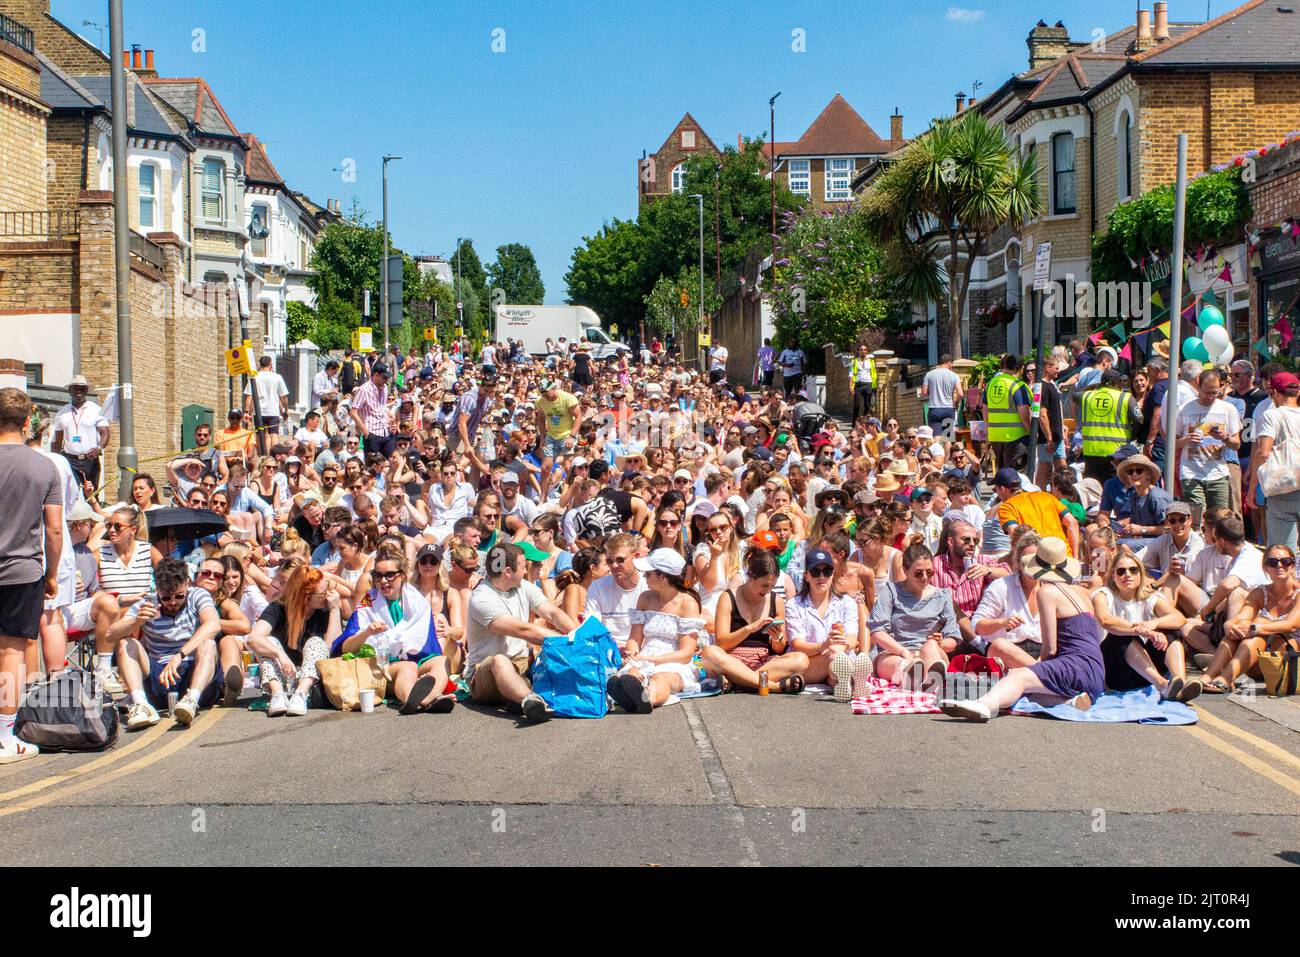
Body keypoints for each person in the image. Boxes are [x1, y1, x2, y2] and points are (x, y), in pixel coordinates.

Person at [941, 537, 1104, 721]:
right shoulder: (1081, 593)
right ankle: (1069, 701)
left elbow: (1050, 649)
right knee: (1027, 689)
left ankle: (984, 705)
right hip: (1096, 671)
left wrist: (1039, 670)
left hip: (1074, 666)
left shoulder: (1047, 592)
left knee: (1019, 677)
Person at [0, 389, 63, 763]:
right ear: (28, 423)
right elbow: (54, 530)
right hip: (22, 570)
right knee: (11, 651)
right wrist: (52, 574)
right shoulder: (43, 467)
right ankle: (5, 735)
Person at [464, 542, 577, 723]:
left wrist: (578, 634)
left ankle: (516, 695)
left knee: (543, 656)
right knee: (499, 660)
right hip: (485, 673)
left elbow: (552, 613)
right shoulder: (482, 598)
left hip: (521, 664)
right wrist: (568, 641)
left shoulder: (523, 586)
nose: (525, 571)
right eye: (523, 567)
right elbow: (524, 630)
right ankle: (530, 700)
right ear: (507, 571)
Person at [107, 558, 222, 729]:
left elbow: (213, 624)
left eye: (179, 596)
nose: (173, 602)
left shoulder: (198, 595)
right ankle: (141, 705)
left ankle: (192, 699)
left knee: (208, 644)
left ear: (187, 584)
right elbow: (109, 635)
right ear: (157, 590)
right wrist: (136, 622)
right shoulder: (147, 603)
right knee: (125, 643)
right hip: (159, 675)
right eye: (166, 598)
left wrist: (180, 655)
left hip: (194, 671)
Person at [335, 550, 455, 715]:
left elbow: (428, 648)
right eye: (378, 575)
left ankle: (430, 699)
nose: (383, 581)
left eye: (390, 575)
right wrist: (367, 633)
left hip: (415, 660)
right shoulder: (367, 604)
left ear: (403, 575)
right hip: (382, 666)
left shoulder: (418, 603)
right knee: (408, 667)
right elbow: (346, 648)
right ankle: (412, 700)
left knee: (442, 661)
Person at [607, 548, 709, 712]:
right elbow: (635, 639)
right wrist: (633, 656)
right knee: (631, 674)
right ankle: (633, 693)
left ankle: (647, 698)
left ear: (662, 577)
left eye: (648, 574)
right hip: (644, 657)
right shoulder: (645, 598)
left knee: (662, 678)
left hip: (673, 661)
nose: (644, 577)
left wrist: (650, 660)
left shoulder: (687, 603)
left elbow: (685, 654)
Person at [1092, 547, 1195, 701]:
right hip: (1117, 669)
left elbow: (1179, 618)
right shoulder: (1103, 595)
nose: (1127, 575)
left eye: (1133, 570)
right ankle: (1162, 685)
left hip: (1146, 670)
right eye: (1121, 571)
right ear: (1113, 576)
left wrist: (1154, 623)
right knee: (1120, 635)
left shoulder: (1149, 597)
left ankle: (1179, 683)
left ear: (1140, 574)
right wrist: (1144, 631)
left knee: (1170, 633)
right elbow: (1106, 620)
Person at [704, 548, 809, 694]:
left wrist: (776, 637)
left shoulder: (776, 600)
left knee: (801, 659)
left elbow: (779, 648)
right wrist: (749, 629)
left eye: (772, 586)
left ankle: (739, 682)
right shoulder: (728, 598)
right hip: (733, 661)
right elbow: (721, 642)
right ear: (750, 576)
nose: (767, 590)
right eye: (764, 585)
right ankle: (773, 686)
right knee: (710, 652)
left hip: (764, 663)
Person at [1199, 544, 1300, 693]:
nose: (1279, 565)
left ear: (1292, 566)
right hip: (1262, 660)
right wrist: (1230, 624)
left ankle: (1226, 678)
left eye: (1285, 561)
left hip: (1290, 658)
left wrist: (1256, 627)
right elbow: (1241, 617)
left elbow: (1291, 625)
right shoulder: (1260, 592)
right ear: (1266, 568)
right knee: (1238, 628)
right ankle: (1208, 677)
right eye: (1273, 562)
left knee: (1258, 624)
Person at [868, 543, 962, 689]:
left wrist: (940, 643)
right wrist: (904, 652)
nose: (925, 577)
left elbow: (953, 639)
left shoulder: (943, 596)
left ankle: (928, 679)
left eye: (929, 573)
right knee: (900, 663)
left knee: (930, 647)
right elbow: (877, 632)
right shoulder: (891, 591)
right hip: (895, 652)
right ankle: (913, 674)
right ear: (905, 570)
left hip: (931, 652)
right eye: (918, 573)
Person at [783, 547, 868, 701]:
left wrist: (838, 648)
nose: (821, 577)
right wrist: (825, 646)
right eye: (815, 571)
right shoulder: (793, 605)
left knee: (838, 658)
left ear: (833, 574)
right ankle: (848, 680)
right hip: (810, 662)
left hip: (839, 654)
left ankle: (837, 681)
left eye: (827, 571)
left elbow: (852, 638)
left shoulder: (847, 602)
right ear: (806, 576)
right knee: (836, 659)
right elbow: (797, 644)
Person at [1176, 368, 1241, 514]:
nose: (1210, 397)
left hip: (1218, 473)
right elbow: (1172, 443)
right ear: (1198, 387)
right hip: (1191, 473)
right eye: (1207, 392)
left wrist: (1224, 437)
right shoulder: (1184, 409)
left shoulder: (1228, 409)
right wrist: (1186, 440)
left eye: (1215, 392)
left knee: (1219, 519)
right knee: (1197, 519)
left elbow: (1236, 444)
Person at [1251, 371, 1300, 548]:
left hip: (1283, 489)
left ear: (1275, 393)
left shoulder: (1272, 415)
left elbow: (1263, 453)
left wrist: (1251, 489)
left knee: (1284, 551)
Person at [991, 467, 1080, 557]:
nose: (996, 494)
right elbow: (1072, 523)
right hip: (1064, 557)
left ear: (1002, 489)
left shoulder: (1006, 508)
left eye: (995, 490)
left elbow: (1015, 535)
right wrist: (1075, 557)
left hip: (1037, 562)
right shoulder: (1047, 496)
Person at [584, 533, 647, 649]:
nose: (614, 565)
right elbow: (591, 628)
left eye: (620, 559)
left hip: (641, 649)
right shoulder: (598, 587)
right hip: (606, 648)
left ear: (636, 556)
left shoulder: (649, 586)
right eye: (609, 561)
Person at [1079, 368, 1140, 482]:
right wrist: (1133, 435)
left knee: (1091, 487)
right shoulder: (1125, 397)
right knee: (1113, 486)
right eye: (1120, 381)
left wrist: (1097, 386)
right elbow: (1139, 420)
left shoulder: (1087, 396)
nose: (1122, 384)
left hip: (1091, 451)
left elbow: (1075, 394)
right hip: (1115, 452)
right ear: (1114, 383)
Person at [51, 374, 109, 493]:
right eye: (75, 388)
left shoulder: (96, 410)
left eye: (82, 388)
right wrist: (54, 461)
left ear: (86, 390)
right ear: (70, 391)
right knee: (72, 494)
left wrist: (99, 448)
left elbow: (105, 432)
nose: (79, 391)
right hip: (70, 460)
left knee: (92, 495)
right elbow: (57, 440)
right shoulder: (62, 413)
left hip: (90, 459)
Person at [984, 353, 1032, 471]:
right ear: (1020, 369)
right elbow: (1024, 412)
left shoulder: (991, 383)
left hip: (996, 436)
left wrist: (988, 430)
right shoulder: (1017, 385)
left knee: (1003, 471)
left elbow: (985, 409)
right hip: (1015, 436)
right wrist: (1032, 431)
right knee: (1014, 474)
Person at [349, 363, 396, 458]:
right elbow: (353, 412)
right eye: (384, 378)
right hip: (372, 432)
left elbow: (382, 407)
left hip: (386, 431)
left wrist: (390, 419)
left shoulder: (385, 388)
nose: (386, 380)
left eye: (387, 378)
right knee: (373, 466)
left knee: (393, 461)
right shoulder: (364, 390)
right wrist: (366, 433)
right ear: (376, 375)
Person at [244, 354, 290, 437]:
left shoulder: (254, 377)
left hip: (259, 411)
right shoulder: (277, 377)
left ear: (260, 364)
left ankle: (261, 450)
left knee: (260, 434)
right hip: (273, 411)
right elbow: (284, 397)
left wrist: (247, 412)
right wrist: (285, 410)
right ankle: (273, 450)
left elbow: (249, 396)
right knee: (273, 434)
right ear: (270, 364)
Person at [920, 353, 963, 438]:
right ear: (949, 363)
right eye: (952, 364)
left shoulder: (929, 374)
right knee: (948, 438)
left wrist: (931, 393)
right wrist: (956, 402)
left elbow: (923, 393)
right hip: (948, 409)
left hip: (934, 409)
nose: (952, 366)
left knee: (937, 437)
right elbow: (961, 394)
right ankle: (947, 451)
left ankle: (938, 451)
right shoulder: (954, 376)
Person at [847, 343, 880, 424]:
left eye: (865, 350)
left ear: (867, 351)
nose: (863, 351)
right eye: (861, 350)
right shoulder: (854, 362)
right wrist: (851, 386)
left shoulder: (871, 362)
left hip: (868, 384)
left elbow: (874, 374)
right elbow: (851, 374)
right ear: (859, 351)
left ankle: (865, 423)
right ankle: (854, 424)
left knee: (867, 406)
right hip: (858, 385)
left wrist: (875, 386)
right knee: (857, 405)